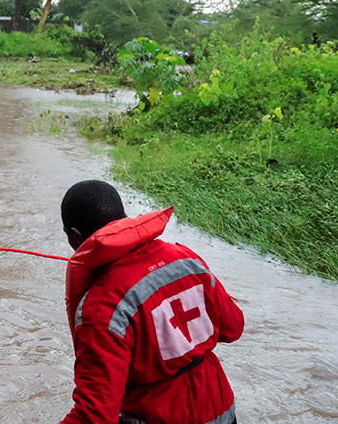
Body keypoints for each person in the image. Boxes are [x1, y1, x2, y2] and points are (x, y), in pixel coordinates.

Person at [59, 180, 243, 424]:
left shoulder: (100, 307)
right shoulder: (185, 259)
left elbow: (95, 416)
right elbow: (233, 327)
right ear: (124, 217)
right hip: (221, 410)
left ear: (75, 237)